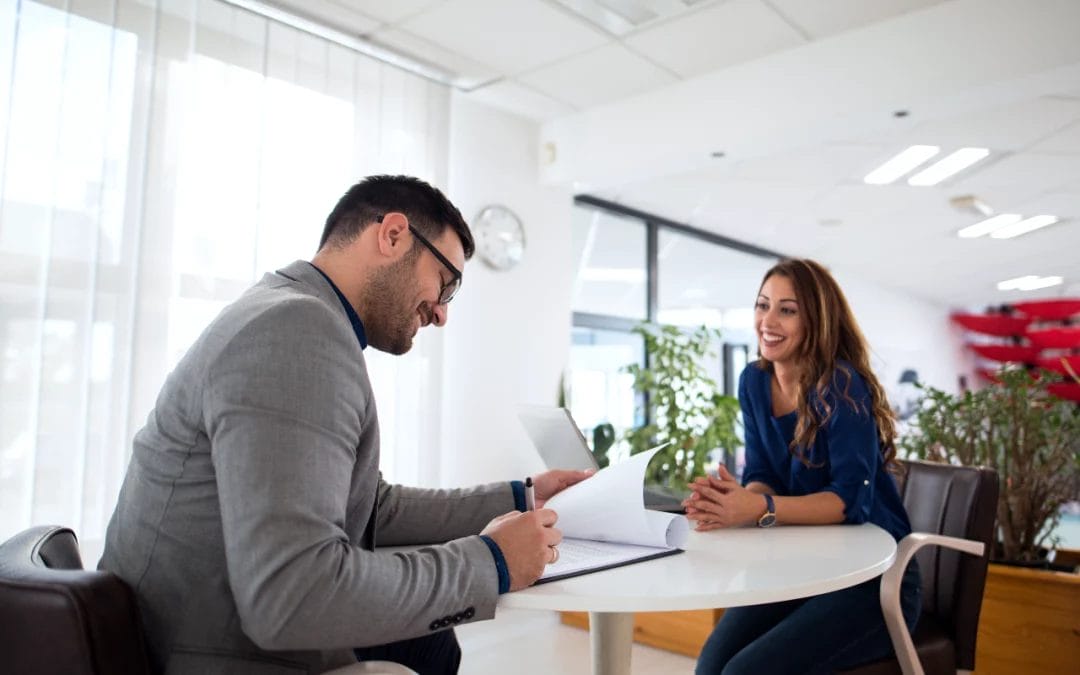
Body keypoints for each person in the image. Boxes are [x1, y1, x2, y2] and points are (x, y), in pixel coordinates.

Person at [98, 175, 591, 675]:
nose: (442, 314)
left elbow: (371, 505)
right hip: (207, 654)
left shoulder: (288, 312)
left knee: (432, 646)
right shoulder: (295, 331)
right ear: (393, 235)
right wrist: (493, 562)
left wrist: (523, 497)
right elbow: (292, 594)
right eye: (446, 283)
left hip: (183, 631)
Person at [683, 258, 920, 675]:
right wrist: (734, 502)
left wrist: (759, 509)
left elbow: (850, 503)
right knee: (711, 665)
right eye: (762, 305)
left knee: (744, 672)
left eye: (787, 310)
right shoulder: (754, 381)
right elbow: (763, 473)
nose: (767, 320)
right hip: (805, 566)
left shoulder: (841, 385)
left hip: (875, 579)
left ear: (817, 321)